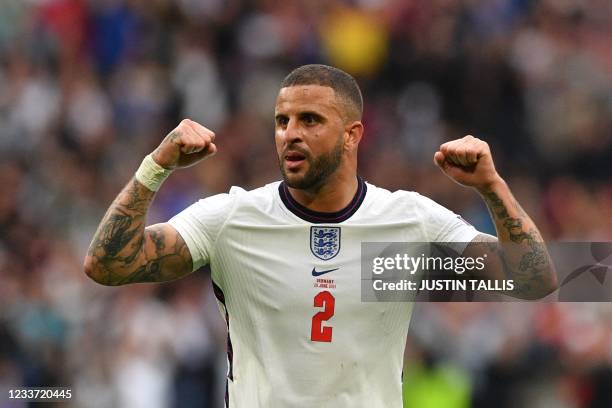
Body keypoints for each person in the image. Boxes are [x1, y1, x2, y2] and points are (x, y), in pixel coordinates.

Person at [84, 64, 557, 407]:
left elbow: (535, 280)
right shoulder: (232, 217)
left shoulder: (408, 220)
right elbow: (107, 265)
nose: (290, 133)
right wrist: (157, 165)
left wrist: (492, 188)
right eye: (281, 121)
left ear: (352, 135)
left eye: (310, 120)